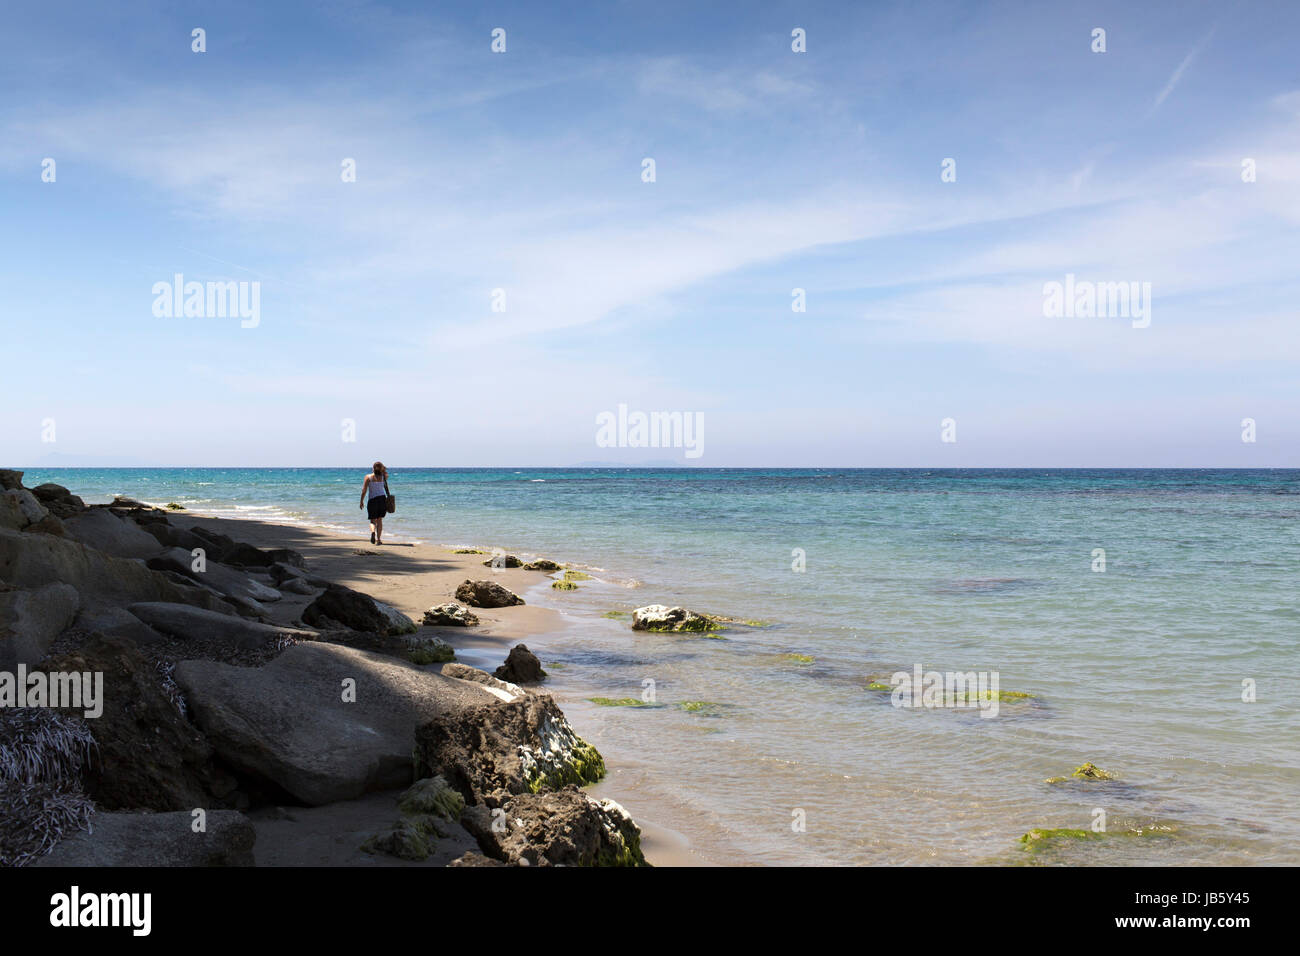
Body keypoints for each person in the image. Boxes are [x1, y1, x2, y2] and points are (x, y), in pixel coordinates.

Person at [360, 461, 389, 545]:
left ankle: (373, 532)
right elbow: (386, 472)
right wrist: (383, 469)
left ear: (373, 468)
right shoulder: (384, 476)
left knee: (373, 521)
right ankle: (379, 540)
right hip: (382, 499)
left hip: (372, 500)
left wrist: (361, 501)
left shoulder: (368, 477)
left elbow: (364, 490)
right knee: (380, 520)